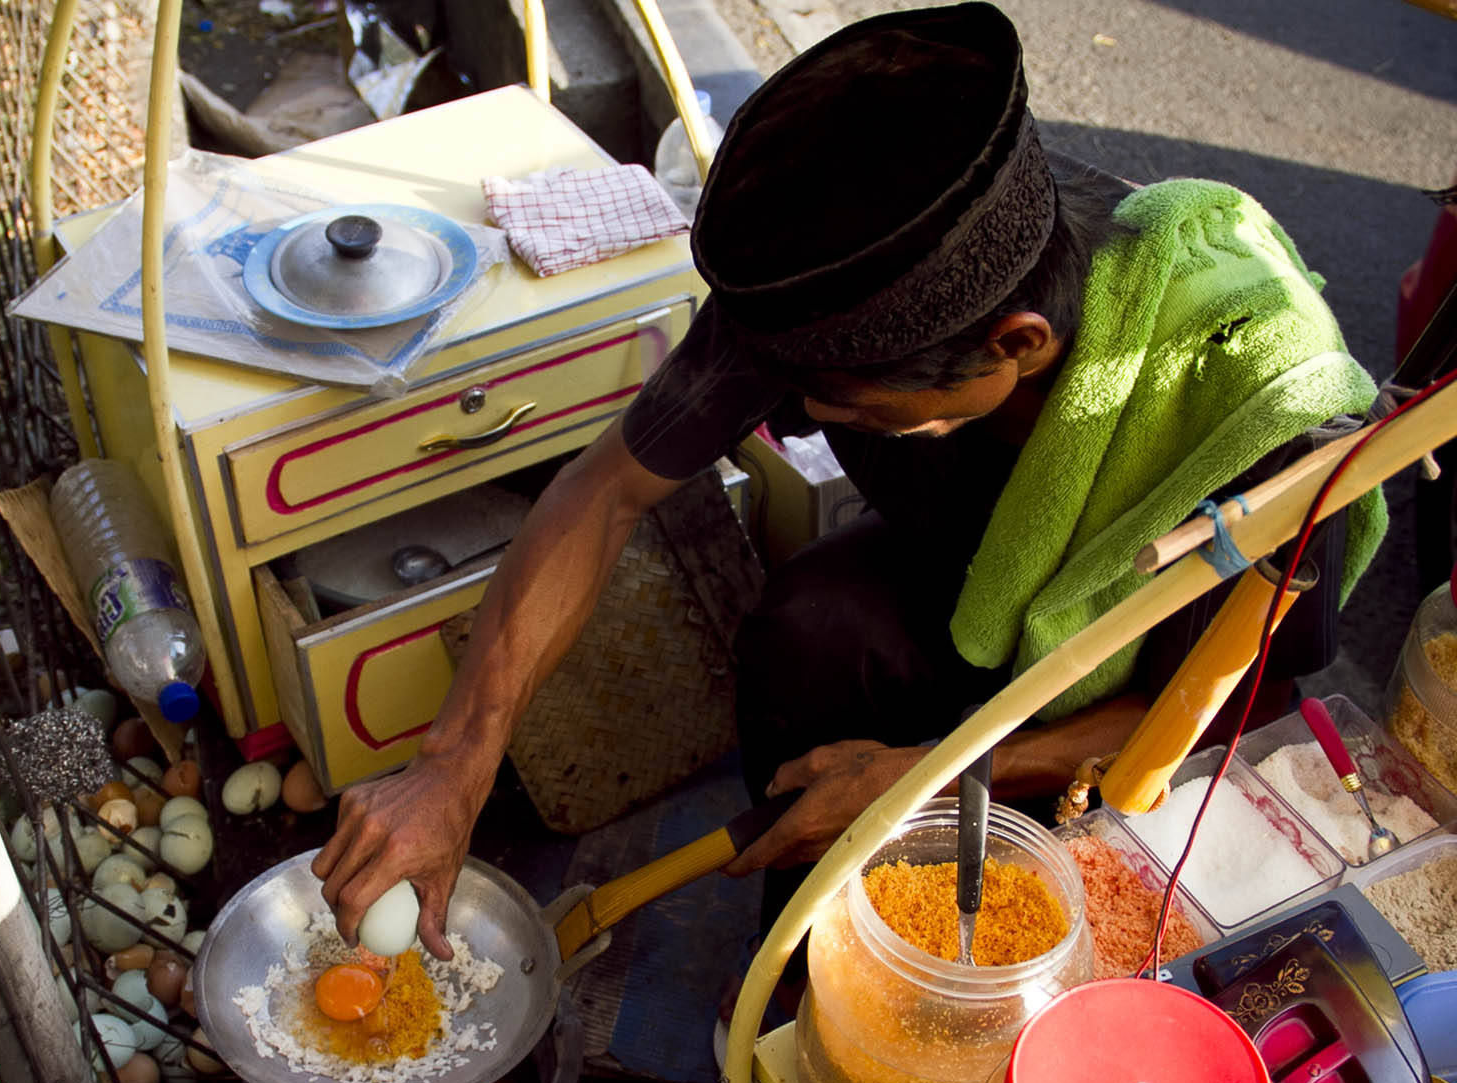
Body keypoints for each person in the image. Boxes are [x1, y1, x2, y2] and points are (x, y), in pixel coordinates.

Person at [313, 1, 1385, 964]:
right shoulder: (844, 271)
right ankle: (806, 941)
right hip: (971, 595)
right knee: (806, 626)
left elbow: (1249, 707)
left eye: (847, 408)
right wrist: (450, 763)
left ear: (1014, 344)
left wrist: (925, 780)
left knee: (1016, 943)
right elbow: (603, 494)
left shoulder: (1254, 403)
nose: (807, 417)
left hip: (1133, 710)